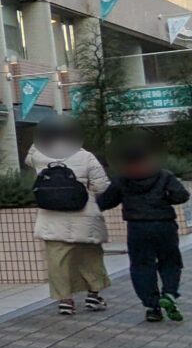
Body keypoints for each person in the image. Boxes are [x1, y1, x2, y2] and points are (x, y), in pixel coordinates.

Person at [26, 119, 111, 316]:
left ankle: (65, 301)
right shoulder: (86, 156)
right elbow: (102, 187)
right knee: (91, 258)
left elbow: (29, 158)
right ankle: (93, 295)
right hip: (85, 217)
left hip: (51, 217)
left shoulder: (38, 155)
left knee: (58, 261)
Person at [99, 140, 189, 323]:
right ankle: (169, 293)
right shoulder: (164, 175)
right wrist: (166, 198)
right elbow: (181, 196)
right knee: (170, 262)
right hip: (164, 225)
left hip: (137, 227)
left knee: (141, 266)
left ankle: (152, 307)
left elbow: (105, 202)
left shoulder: (123, 179)